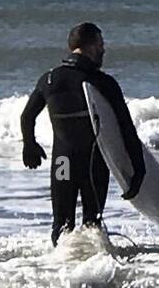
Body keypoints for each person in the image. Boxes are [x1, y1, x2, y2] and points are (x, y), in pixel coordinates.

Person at [20, 22, 145, 245]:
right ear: (89, 47)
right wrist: (138, 169)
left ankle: (60, 268)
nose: (103, 50)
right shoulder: (103, 83)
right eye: (100, 44)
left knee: (61, 225)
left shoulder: (49, 79)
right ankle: (94, 272)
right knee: (92, 224)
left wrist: (29, 145)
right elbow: (126, 129)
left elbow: (27, 117)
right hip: (93, 163)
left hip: (62, 162)